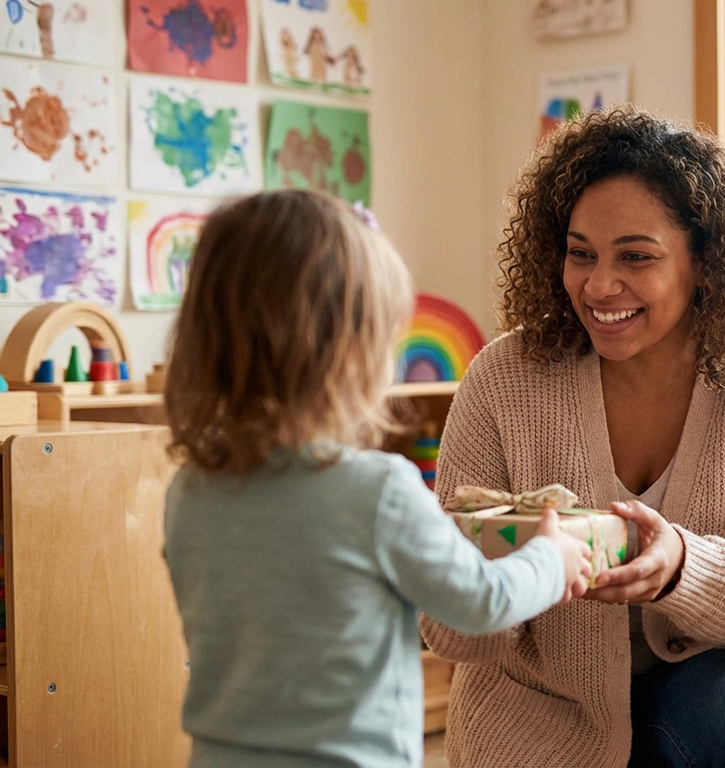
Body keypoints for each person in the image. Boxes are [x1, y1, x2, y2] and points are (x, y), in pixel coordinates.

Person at [421, 108, 725, 767]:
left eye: (635, 257)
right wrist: (514, 566)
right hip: (542, 704)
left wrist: (678, 565)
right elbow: (449, 631)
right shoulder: (503, 377)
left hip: (718, 681)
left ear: (706, 262)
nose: (599, 285)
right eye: (580, 254)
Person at [161, 189, 593, 768]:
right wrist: (552, 556)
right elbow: (484, 602)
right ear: (348, 354)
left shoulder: (190, 489)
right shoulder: (377, 491)